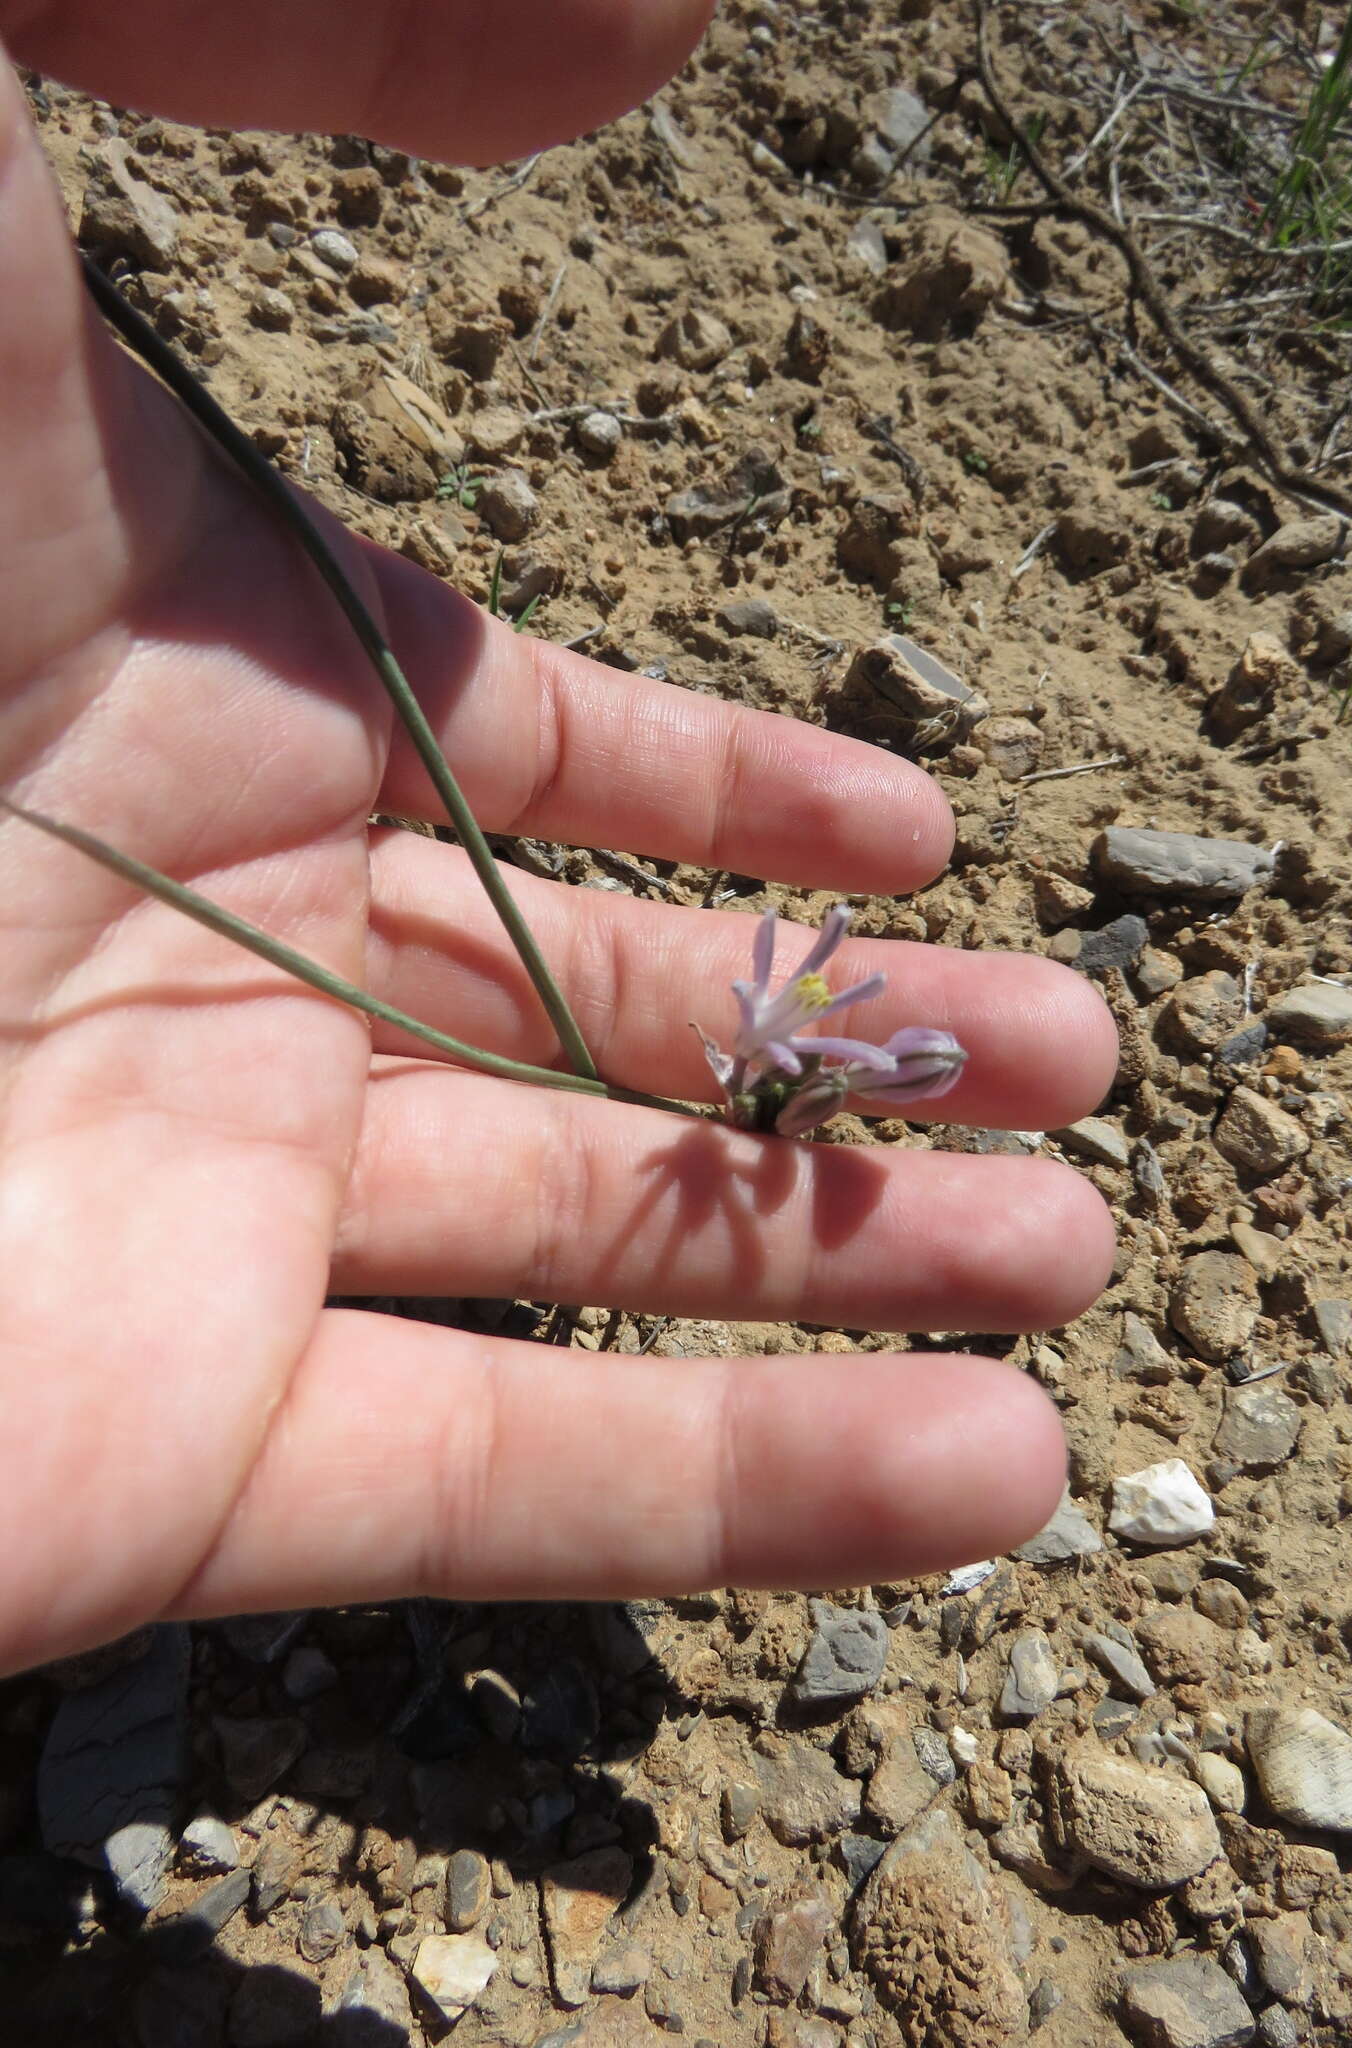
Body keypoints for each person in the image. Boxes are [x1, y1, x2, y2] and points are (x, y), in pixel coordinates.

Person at [0, 0, 1118, 1680]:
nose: (797, 1033)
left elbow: (783, 1049)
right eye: (798, 1052)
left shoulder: (786, 1052)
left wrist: (785, 1078)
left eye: (803, 1058)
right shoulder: (771, 1034)